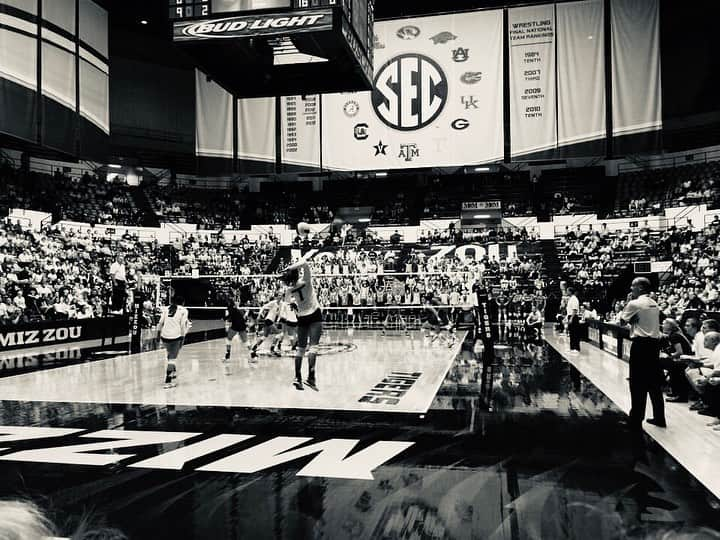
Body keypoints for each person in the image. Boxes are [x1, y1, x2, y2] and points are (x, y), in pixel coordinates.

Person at [620, 277, 665, 429]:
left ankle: (636, 418)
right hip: (654, 345)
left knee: (637, 383)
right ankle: (660, 418)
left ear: (639, 288)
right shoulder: (654, 303)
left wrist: (628, 306)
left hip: (641, 346)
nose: (631, 289)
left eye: (633, 286)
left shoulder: (634, 303)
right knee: (654, 384)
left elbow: (622, 321)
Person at [282, 257, 323, 390]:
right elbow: (304, 263)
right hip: (314, 314)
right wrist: (291, 267)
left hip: (302, 317)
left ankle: (297, 377)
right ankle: (311, 377)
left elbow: (288, 302)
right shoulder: (306, 281)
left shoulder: (289, 290)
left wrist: (294, 304)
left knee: (300, 349)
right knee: (313, 347)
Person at [157, 295, 190, 389]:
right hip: (175, 336)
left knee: (170, 354)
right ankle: (168, 381)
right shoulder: (184, 310)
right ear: (183, 302)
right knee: (172, 358)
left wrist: (158, 335)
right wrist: (183, 337)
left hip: (164, 336)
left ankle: (173, 372)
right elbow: (183, 325)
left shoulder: (166, 308)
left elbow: (160, 322)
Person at [659, 318, 693, 403]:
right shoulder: (674, 334)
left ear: (669, 326)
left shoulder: (674, 336)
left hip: (685, 360)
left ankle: (678, 394)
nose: (662, 325)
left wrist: (668, 356)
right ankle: (670, 389)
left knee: (669, 365)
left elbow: (679, 352)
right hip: (683, 359)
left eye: (664, 324)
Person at [250, 292, 283, 359]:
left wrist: (277, 321)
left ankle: (254, 347)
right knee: (279, 334)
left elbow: (279, 314)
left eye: (281, 295)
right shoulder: (273, 303)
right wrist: (259, 315)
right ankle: (272, 349)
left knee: (265, 336)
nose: (280, 297)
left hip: (271, 321)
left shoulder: (281, 304)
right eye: (279, 295)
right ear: (276, 297)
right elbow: (264, 306)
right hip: (268, 320)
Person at [223, 297, 253, 363]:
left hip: (236, 326)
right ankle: (253, 356)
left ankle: (227, 356)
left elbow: (229, 316)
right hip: (242, 326)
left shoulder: (230, 308)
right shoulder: (236, 309)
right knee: (245, 341)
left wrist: (224, 318)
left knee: (228, 339)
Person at [566, 287, 581, 353]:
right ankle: (572, 348)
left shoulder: (574, 299)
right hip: (570, 316)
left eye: (567, 291)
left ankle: (576, 348)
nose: (566, 292)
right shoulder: (570, 299)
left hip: (574, 317)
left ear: (570, 291)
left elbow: (574, 310)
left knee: (575, 333)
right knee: (571, 333)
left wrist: (571, 318)